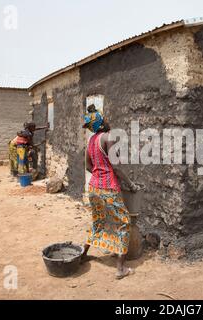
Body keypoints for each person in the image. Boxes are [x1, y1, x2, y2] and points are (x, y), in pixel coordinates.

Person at [82, 104, 138, 280]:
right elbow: (115, 166)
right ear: (101, 123)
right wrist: (130, 184)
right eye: (104, 118)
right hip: (108, 188)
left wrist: (99, 175)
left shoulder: (91, 141)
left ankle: (83, 255)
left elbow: (87, 166)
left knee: (98, 222)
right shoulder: (108, 137)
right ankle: (121, 268)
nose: (107, 120)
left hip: (93, 187)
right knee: (124, 222)